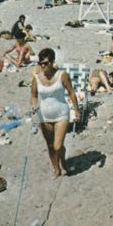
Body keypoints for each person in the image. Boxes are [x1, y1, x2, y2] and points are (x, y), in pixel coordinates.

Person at [31, 48, 80, 178]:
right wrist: (34, 105)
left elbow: (71, 93)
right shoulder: (36, 77)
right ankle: (56, 169)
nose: (43, 66)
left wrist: (76, 110)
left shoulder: (62, 75)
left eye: (46, 63)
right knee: (50, 145)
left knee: (57, 146)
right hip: (44, 115)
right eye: (41, 63)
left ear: (52, 62)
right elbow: (34, 95)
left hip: (61, 114)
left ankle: (63, 162)